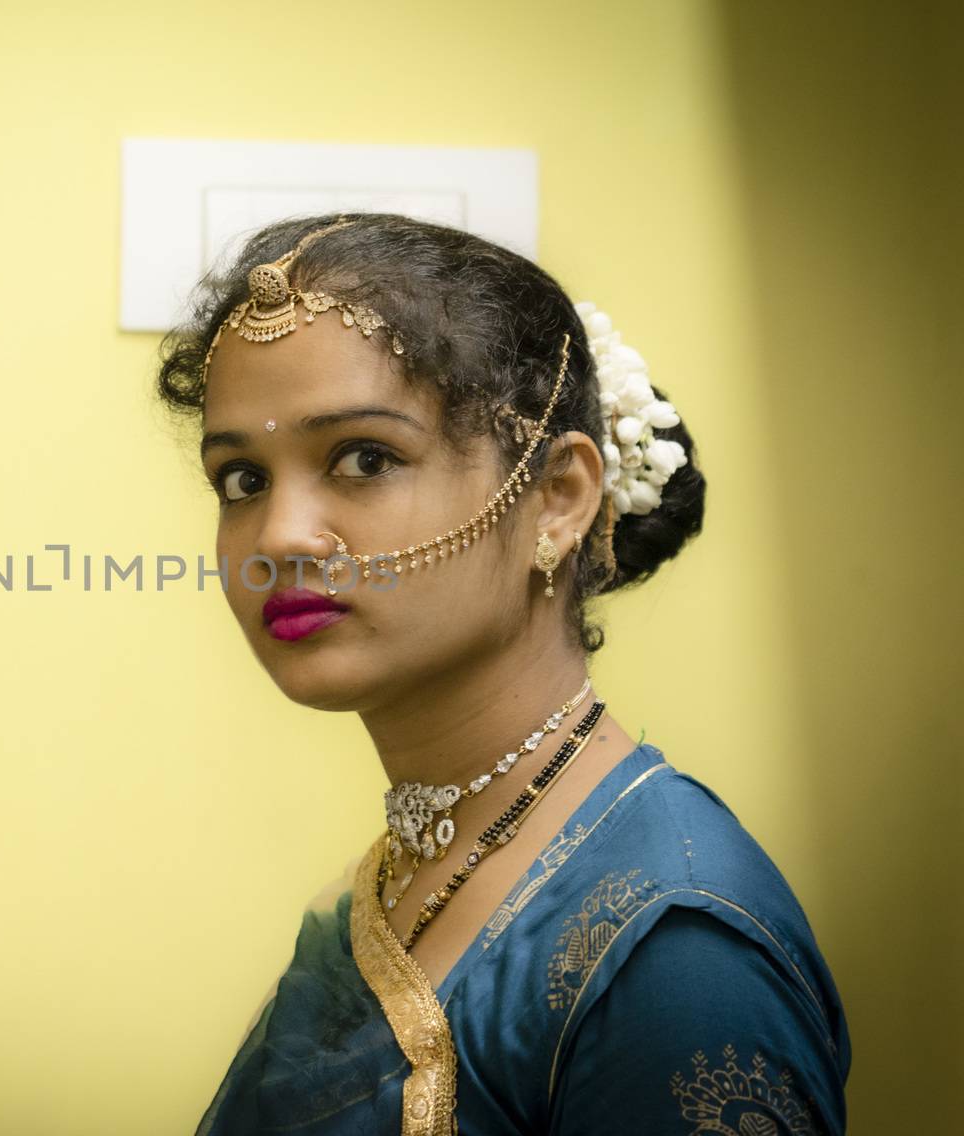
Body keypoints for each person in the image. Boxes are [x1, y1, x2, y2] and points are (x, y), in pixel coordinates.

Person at [154, 214, 851, 1135]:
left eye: (365, 458)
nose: (279, 536)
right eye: (241, 479)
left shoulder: (676, 953)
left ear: (557, 498)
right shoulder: (417, 865)